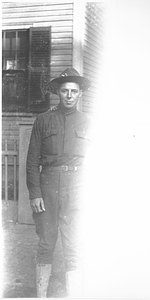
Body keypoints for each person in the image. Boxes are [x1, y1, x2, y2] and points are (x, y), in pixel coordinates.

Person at [26, 68, 92, 298]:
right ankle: (41, 296)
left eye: (74, 91)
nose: (69, 95)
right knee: (46, 242)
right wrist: (35, 194)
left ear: (80, 93)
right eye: (64, 91)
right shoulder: (43, 120)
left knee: (73, 244)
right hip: (48, 187)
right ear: (58, 92)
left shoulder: (88, 122)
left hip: (77, 189)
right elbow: (32, 161)